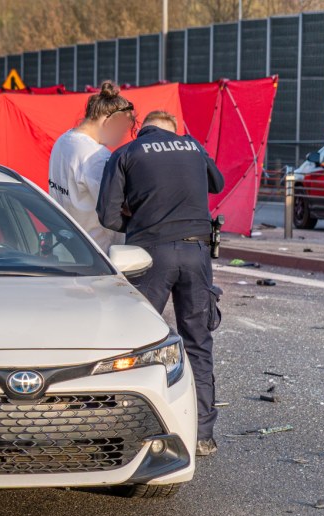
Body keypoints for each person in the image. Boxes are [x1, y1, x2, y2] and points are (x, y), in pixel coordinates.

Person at [96, 109, 226, 457]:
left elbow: (107, 215)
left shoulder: (126, 153)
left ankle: (133, 430)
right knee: (198, 342)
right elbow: (218, 184)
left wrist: (141, 222)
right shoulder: (193, 146)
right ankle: (202, 435)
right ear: (172, 131)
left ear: (141, 130)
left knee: (138, 341)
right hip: (197, 252)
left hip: (150, 254)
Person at [47, 81, 135, 252]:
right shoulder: (96, 156)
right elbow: (117, 206)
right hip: (98, 251)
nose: (121, 137)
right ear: (109, 123)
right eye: (122, 129)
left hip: (66, 247)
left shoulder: (63, 141)